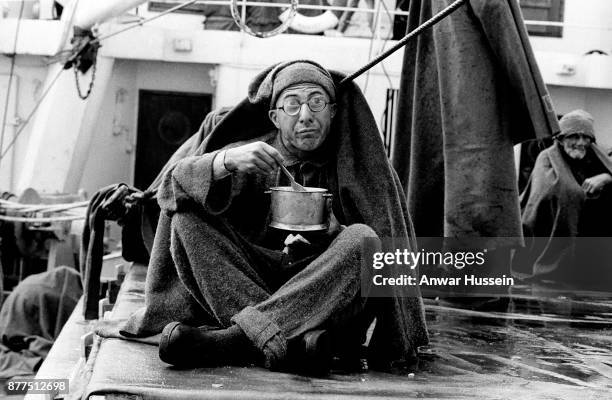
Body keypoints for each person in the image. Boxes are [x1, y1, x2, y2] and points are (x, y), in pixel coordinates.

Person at [112, 60, 428, 374]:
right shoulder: (250, 156)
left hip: (320, 297)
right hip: (253, 287)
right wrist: (224, 161)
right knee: (186, 220)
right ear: (275, 118)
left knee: (363, 239)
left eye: (316, 103)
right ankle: (290, 345)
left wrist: (335, 235)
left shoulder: (357, 168)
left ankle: (233, 342)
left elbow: (389, 256)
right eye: (292, 105)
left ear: (332, 111)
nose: (305, 116)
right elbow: (168, 192)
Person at [513, 109, 612, 288]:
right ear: (560, 138)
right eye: (574, 136)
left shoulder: (594, 158)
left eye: (586, 137)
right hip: (544, 238)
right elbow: (561, 194)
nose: (581, 142)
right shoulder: (547, 158)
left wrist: (606, 177)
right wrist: (583, 194)